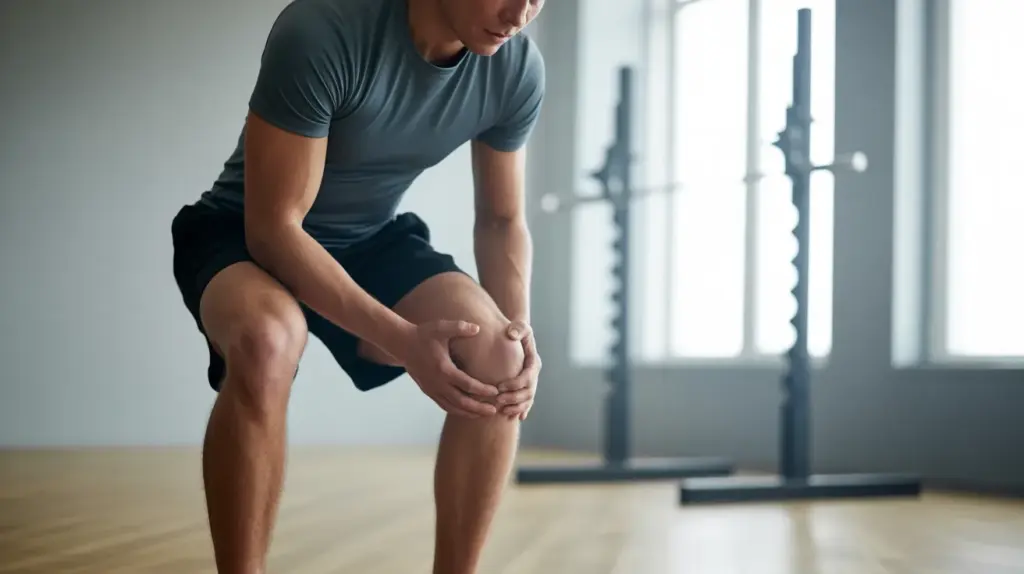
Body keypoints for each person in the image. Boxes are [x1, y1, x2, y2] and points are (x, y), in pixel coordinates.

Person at [169, 0, 546, 571]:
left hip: (368, 238)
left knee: (500, 357)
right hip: (243, 231)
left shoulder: (516, 69)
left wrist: (520, 336)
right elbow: (274, 230)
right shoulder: (324, 30)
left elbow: (501, 222)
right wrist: (401, 340)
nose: (520, 13)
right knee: (269, 341)